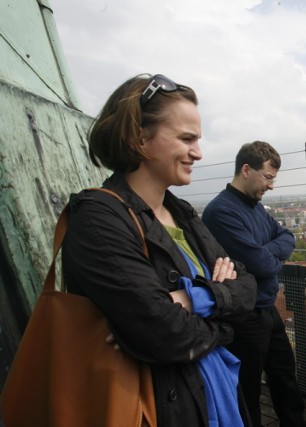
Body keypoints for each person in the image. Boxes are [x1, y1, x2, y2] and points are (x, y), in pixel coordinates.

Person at [61, 74, 257, 426]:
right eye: (186, 139)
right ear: (140, 137)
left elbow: (247, 286)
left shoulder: (180, 211)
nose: (198, 152)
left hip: (217, 397)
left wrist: (190, 299)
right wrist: (225, 320)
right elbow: (165, 333)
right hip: (159, 410)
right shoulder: (98, 219)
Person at [202, 141, 306, 427]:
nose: (271, 186)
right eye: (268, 177)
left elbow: (287, 236)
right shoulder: (221, 212)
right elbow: (262, 264)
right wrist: (271, 258)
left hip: (265, 308)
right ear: (246, 170)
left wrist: (267, 255)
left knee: (284, 374)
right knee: (247, 390)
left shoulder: (255, 207)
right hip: (242, 317)